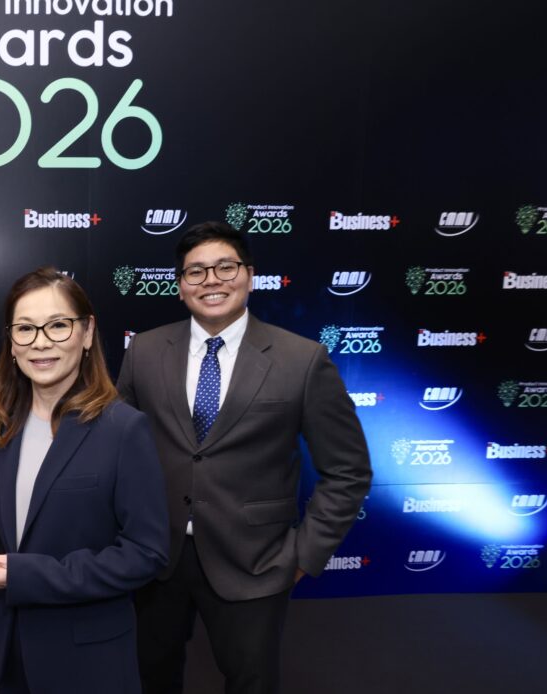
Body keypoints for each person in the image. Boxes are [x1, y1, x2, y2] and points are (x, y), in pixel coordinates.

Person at [117, 221, 372, 693]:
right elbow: (118, 451)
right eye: (196, 272)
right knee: (150, 677)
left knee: (251, 682)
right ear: (180, 286)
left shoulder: (302, 360)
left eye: (225, 267)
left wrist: (302, 555)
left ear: (250, 276)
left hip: (256, 562)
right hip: (156, 557)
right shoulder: (145, 351)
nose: (211, 281)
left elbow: (348, 471)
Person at [0, 267, 169, 693]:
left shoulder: (123, 429)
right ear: (11, 342)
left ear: (87, 333)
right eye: (25, 329)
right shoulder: (0, 421)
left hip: (87, 659)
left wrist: (27, 575)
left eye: (58, 325)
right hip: (9, 645)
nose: (40, 342)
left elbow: (146, 554)